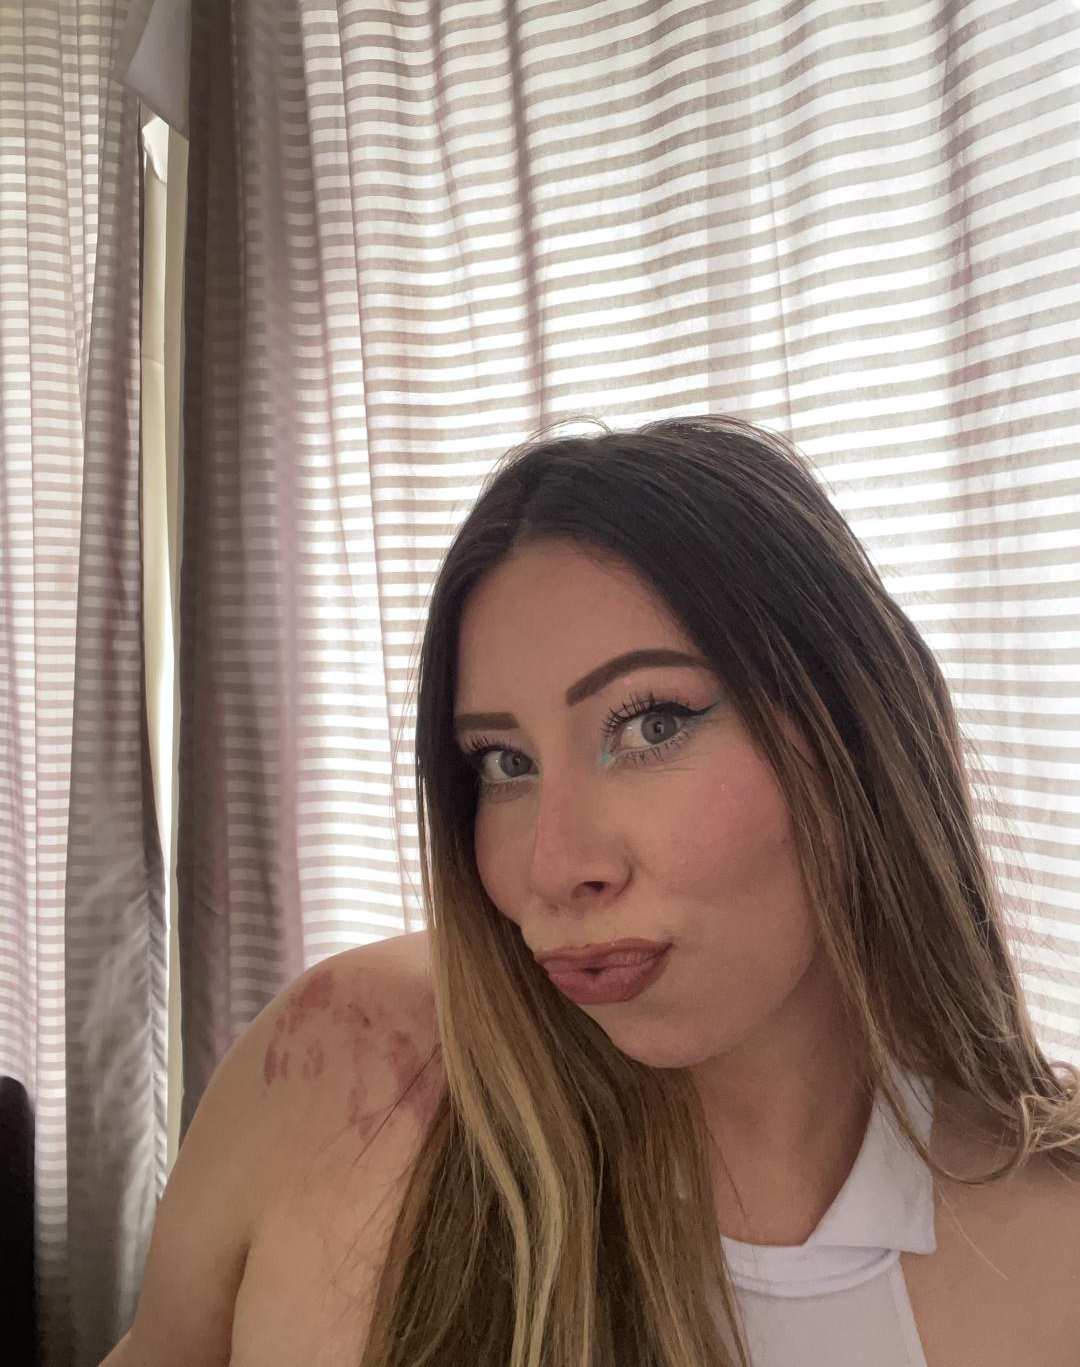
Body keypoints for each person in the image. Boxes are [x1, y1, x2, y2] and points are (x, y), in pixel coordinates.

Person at [100, 415, 1080, 1367]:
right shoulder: (348, 1066)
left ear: (857, 730)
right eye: (503, 762)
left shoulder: (1054, 1226)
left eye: (651, 725)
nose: (553, 866)